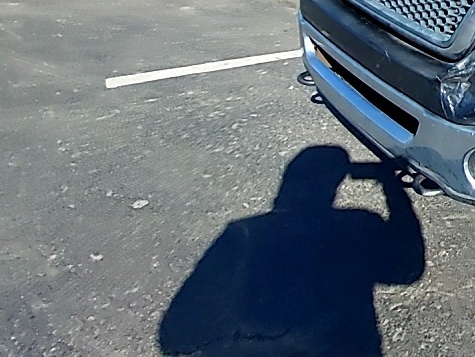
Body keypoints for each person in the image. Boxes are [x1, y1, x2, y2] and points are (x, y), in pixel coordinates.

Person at [157, 145, 425, 357]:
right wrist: (392, 188)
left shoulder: (245, 234)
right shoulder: (357, 226)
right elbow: (408, 267)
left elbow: (176, 334)